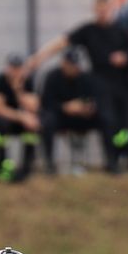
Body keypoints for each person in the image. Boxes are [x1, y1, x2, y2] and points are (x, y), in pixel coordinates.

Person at [34, 0, 128, 161]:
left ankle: (126, 155)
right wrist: (39, 57)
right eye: (99, 9)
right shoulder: (89, 31)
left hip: (121, 84)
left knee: (123, 124)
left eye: (105, 9)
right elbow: (63, 41)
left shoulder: (122, 30)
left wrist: (125, 57)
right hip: (100, 84)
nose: (102, 13)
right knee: (107, 118)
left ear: (111, 9)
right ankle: (112, 159)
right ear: (95, 10)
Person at [27, 48, 100, 178]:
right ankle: (49, 163)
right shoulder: (52, 77)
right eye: (70, 64)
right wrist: (65, 107)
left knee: (106, 119)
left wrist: (86, 108)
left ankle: (111, 161)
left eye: (75, 65)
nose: (73, 68)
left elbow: (94, 100)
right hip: (58, 116)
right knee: (47, 122)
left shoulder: (85, 78)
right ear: (64, 63)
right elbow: (45, 103)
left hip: (80, 117)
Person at [0, 54, 40, 176]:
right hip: (5, 120)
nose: (15, 71)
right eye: (13, 67)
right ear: (7, 68)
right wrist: (22, 117)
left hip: (21, 120)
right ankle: (2, 164)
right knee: (0, 124)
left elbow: (33, 106)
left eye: (18, 68)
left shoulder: (27, 81)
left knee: (32, 125)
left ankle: (26, 167)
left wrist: (18, 90)